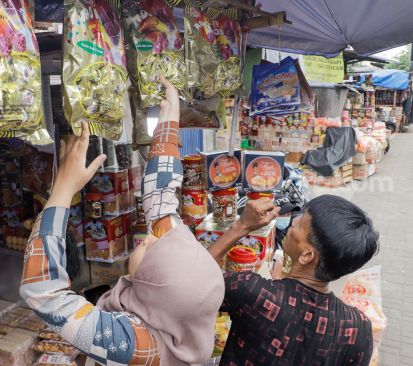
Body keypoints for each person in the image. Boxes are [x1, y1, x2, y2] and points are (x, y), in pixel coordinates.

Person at [20, 76, 225, 365]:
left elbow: (44, 293)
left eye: (153, 250)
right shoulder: (182, 321)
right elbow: (163, 205)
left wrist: (62, 191)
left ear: (152, 287)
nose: (152, 238)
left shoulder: (137, 346)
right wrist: (168, 126)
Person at [207, 195, 378, 365]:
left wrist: (241, 226)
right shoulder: (358, 329)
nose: (294, 222)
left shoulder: (252, 292)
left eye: (301, 222)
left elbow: (193, 282)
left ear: (307, 255)